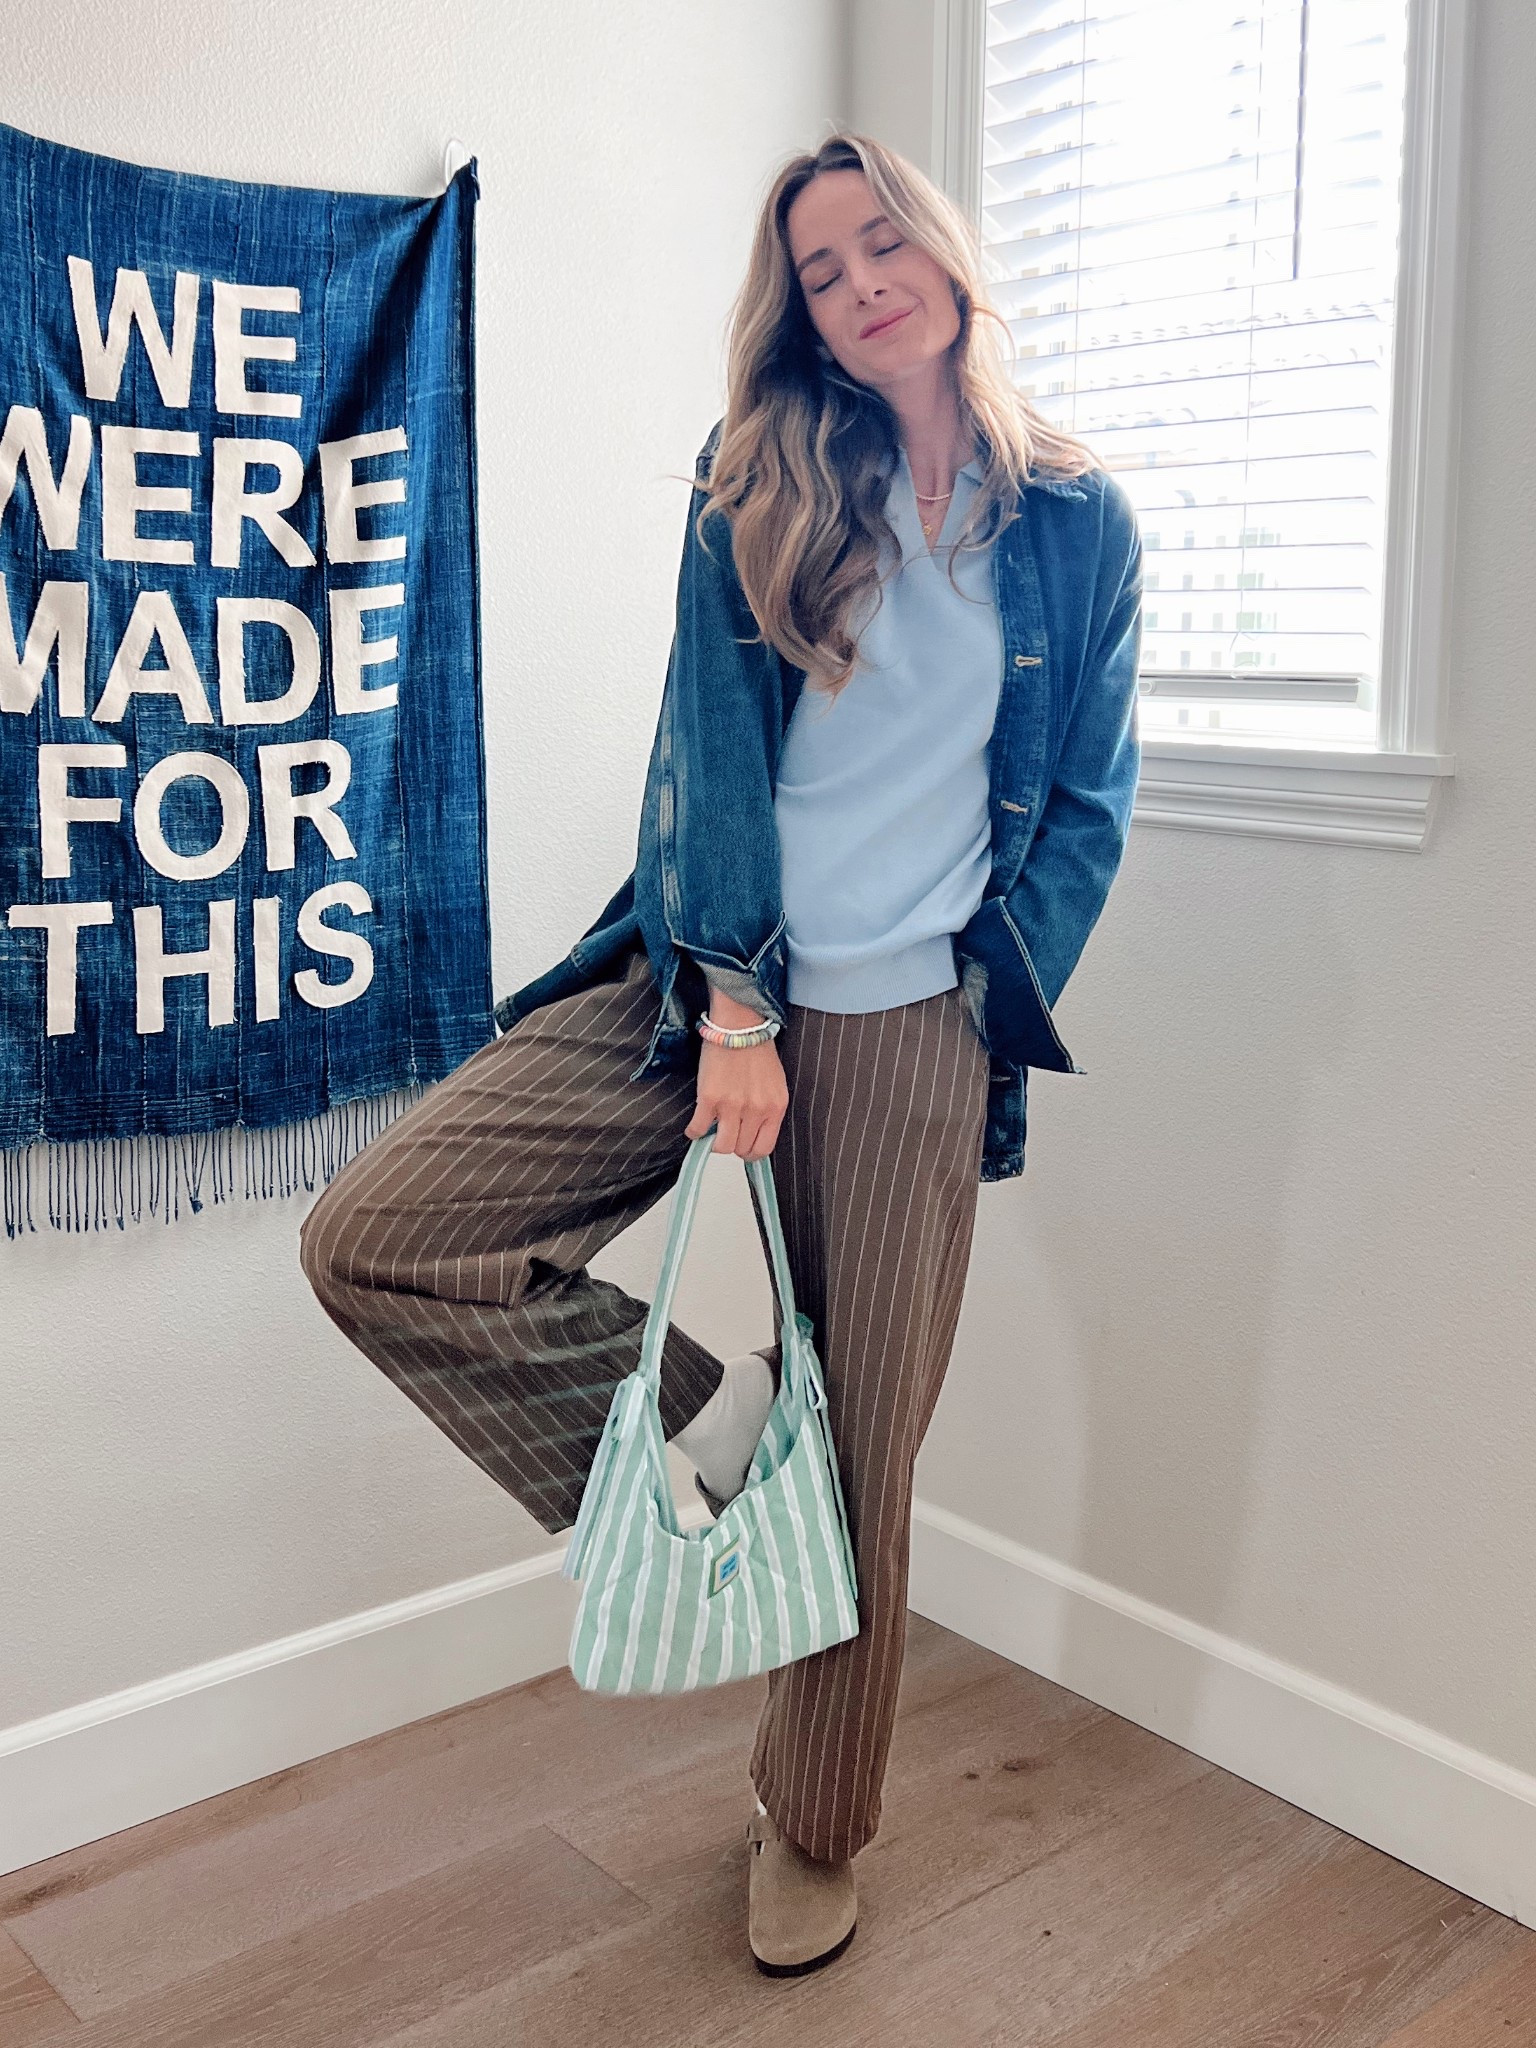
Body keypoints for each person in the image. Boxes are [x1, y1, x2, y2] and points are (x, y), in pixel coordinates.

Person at [299, 129, 1141, 1978]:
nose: (853, 285)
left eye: (875, 245)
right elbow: (703, 748)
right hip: (700, 978)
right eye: (818, 272)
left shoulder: (1075, 523)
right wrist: (736, 1005)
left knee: (876, 1458)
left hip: (918, 1029)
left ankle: (817, 1821)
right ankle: (719, 1441)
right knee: (382, 1234)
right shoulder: (757, 472)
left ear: (942, 249)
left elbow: (1084, 801)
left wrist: (987, 992)